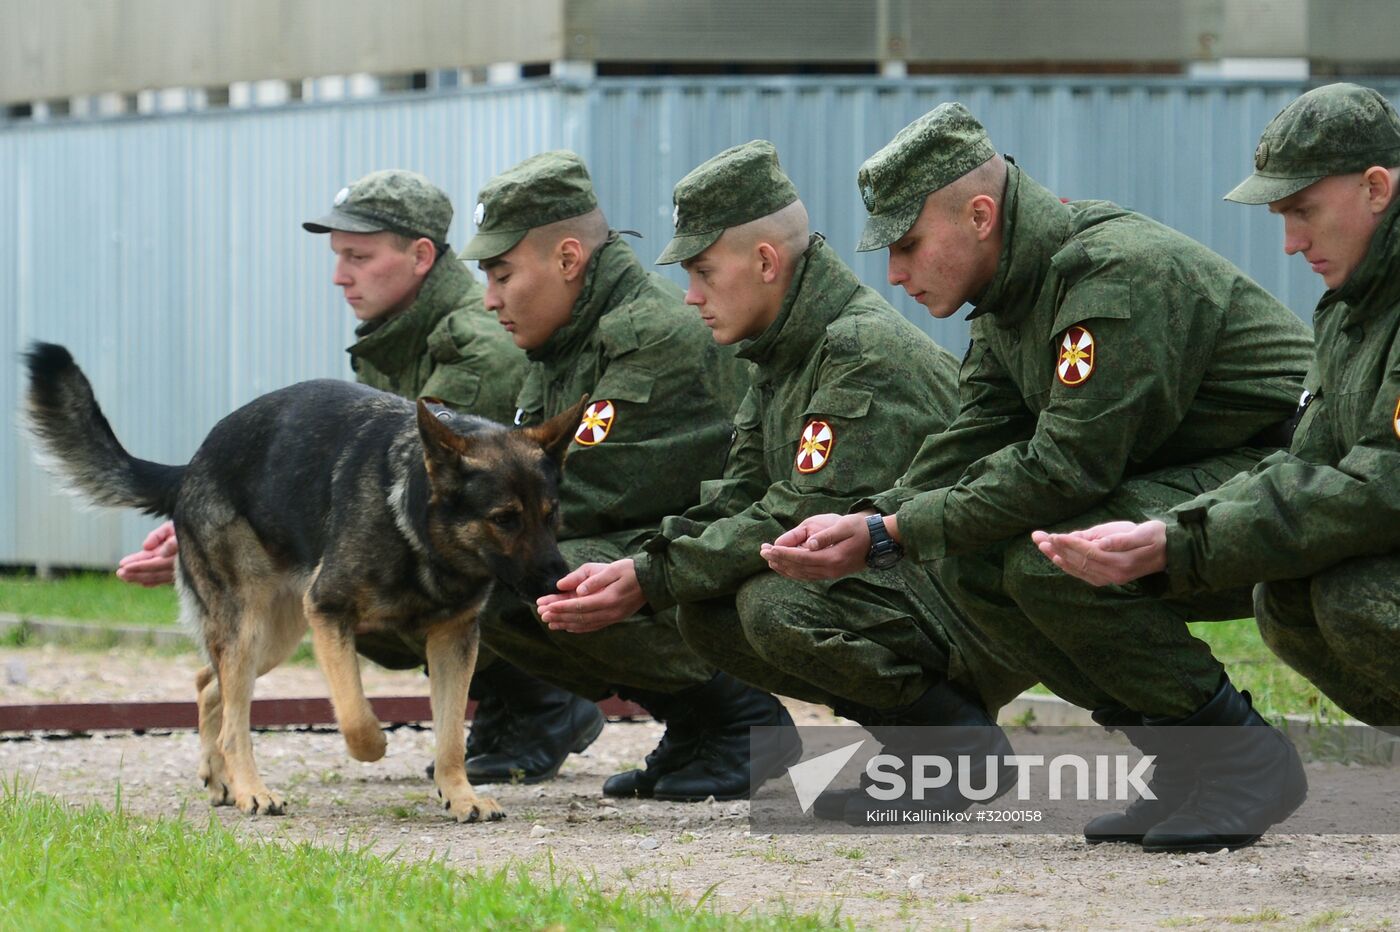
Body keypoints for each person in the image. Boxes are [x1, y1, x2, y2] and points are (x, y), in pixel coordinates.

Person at [761, 103, 1316, 852]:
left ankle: (1242, 757)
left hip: (1288, 484)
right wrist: (872, 517)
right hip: (1200, 481)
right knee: (975, 553)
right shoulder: (1009, 295)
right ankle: (1185, 756)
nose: (893, 273)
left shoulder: (1111, 273)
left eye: (908, 244)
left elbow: (1067, 466)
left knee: (1049, 554)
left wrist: (890, 534)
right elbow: (970, 441)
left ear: (980, 215)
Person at [535, 140, 1032, 819]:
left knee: (775, 603)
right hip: (925, 583)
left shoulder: (857, 349)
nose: (692, 296)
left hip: (987, 601)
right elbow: (741, 495)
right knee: (703, 606)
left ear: (766, 262)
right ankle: (919, 746)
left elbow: (794, 514)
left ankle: (958, 751)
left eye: (704, 272)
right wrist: (650, 567)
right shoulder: (782, 354)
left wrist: (649, 576)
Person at [117, 170, 604, 784]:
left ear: (419, 256)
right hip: (482, 530)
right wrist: (219, 522)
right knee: (359, 579)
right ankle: (512, 704)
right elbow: (343, 482)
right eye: (338, 256)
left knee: (429, 571)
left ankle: (542, 704)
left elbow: (457, 494)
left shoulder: (472, 352)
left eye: (358, 257)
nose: (339, 276)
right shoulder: (395, 337)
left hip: (533, 537)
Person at [1035, 83, 1400, 733]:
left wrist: (1179, 543)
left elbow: (1383, 486)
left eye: (1304, 211)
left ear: (1375, 188)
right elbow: (1308, 462)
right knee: (1285, 600)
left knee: (1353, 598)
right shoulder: (1353, 309)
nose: (1291, 242)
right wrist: (1170, 529)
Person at [459, 150, 789, 800]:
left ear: (567, 259)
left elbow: (582, 496)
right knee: (498, 569)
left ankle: (742, 718)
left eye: (502, 275)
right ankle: (693, 722)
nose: (490, 299)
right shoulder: (564, 341)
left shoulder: (645, 336)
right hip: (692, 550)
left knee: (536, 567)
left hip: (751, 556)